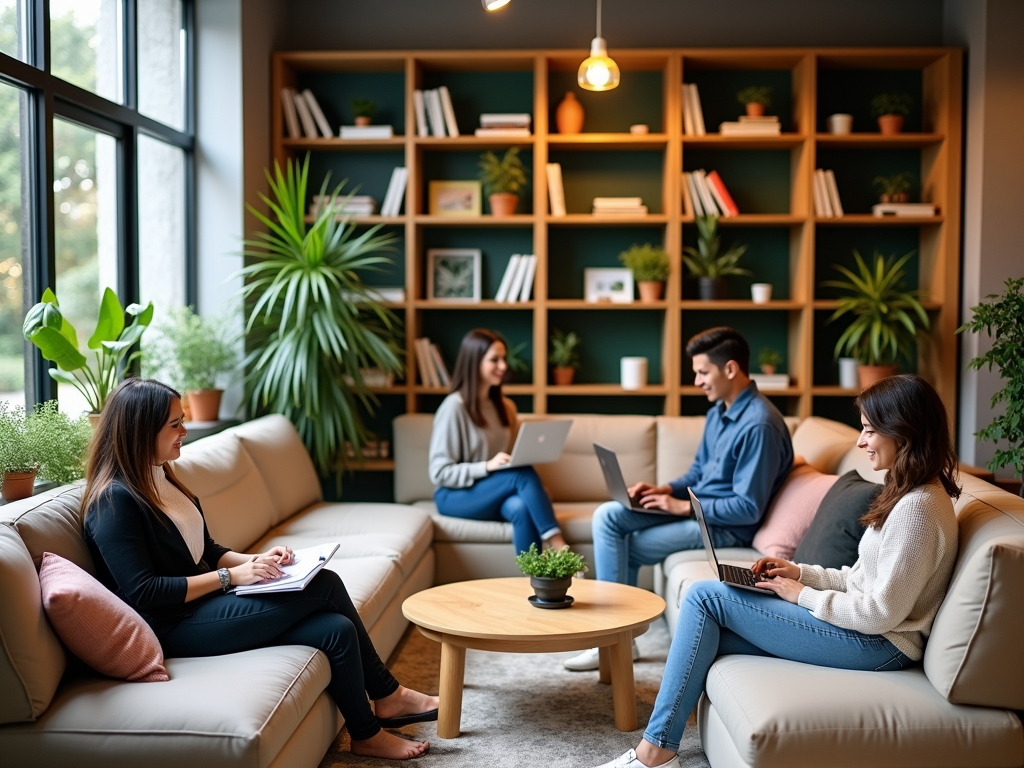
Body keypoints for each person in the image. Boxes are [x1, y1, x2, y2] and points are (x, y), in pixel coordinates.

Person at [587, 374, 961, 768]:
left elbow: (880, 613)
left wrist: (801, 596)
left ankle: (654, 754)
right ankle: (660, 748)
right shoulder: (906, 494)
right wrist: (799, 573)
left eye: (869, 430)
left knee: (705, 596)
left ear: (903, 431)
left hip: (881, 645)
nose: (860, 441)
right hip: (868, 634)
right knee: (709, 628)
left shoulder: (919, 509)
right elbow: (858, 579)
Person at [82, 378, 437, 761]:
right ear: (140, 430)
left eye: (182, 420)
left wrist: (256, 561)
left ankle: (367, 734)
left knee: (336, 630)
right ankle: (388, 695)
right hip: (172, 624)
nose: (184, 431)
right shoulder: (113, 501)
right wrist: (231, 578)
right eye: (174, 424)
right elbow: (144, 592)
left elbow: (208, 548)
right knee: (326, 585)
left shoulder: (160, 475)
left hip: (203, 605)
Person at [564, 327, 793, 670]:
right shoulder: (719, 411)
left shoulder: (759, 425)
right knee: (609, 516)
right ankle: (616, 640)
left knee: (623, 543)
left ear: (730, 369)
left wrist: (681, 506)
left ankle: (613, 641)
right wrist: (664, 490)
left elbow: (748, 508)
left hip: (726, 528)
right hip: (697, 512)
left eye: (703, 372)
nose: (698, 381)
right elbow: (698, 473)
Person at [429, 328, 567, 555]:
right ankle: (558, 543)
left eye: (504, 359)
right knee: (521, 474)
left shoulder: (506, 408)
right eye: (495, 360)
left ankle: (533, 582)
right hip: (454, 497)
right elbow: (439, 473)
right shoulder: (454, 407)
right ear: (474, 363)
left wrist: (535, 493)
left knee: (521, 507)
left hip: (492, 492)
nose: (503, 366)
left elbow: (511, 463)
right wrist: (486, 467)